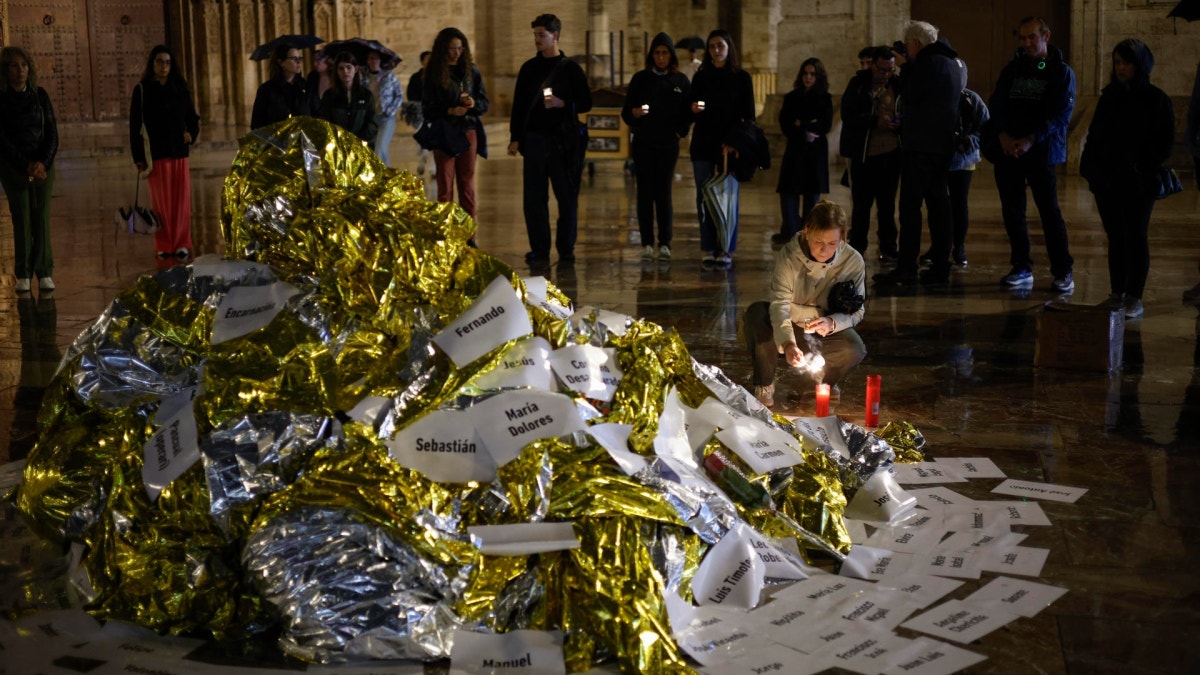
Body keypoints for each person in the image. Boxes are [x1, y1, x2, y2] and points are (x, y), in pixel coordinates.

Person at [1079, 39, 1174, 320]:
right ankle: (1117, 293)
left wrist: (1142, 167)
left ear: (1140, 64)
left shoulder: (1156, 99)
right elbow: (1095, 135)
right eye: (1118, 62)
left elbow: (1164, 142)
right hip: (1107, 180)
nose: (1121, 68)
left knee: (1135, 236)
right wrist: (1090, 169)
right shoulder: (1109, 96)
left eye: (1127, 62)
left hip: (1137, 182)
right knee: (1116, 238)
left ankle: (1134, 296)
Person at [742, 200, 866, 408]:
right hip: (789, 323)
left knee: (854, 348)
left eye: (833, 243)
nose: (825, 250)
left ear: (842, 237)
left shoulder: (852, 261)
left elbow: (857, 311)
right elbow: (779, 304)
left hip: (822, 329)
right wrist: (788, 344)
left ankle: (824, 382)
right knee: (756, 314)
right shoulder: (789, 256)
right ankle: (765, 383)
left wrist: (832, 322)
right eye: (819, 242)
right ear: (807, 232)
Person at [983, 16, 1076, 293]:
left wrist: (1030, 140)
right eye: (1023, 38)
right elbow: (996, 104)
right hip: (1009, 151)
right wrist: (1003, 136)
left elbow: (1060, 114)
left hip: (1041, 152)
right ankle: (1021, 266)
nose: (1027, 43)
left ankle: (1063, 271)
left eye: (1032, 37)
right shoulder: (1013, 69)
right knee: (1013, 211)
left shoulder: (1060, 71)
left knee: (1049, 212)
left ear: (1046, 36)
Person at [873, 21, 965, 287]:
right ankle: (940, 266)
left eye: (907, 44)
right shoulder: (951, 62)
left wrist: (906, 67)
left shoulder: (926, 63)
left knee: (910, 208)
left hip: (921, 147)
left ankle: (906, 267)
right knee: (939, 206)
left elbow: (912, 95)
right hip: (942, 145)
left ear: (915, 43)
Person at [507, 13, 593, 265]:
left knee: (566, 196)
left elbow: (586, 102)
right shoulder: (528, 68)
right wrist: (515, 137)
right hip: (534, 140)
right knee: (534, 198)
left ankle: (566, 248)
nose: (537, 39)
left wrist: (562, 103)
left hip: (562, 142)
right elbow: (519, 106)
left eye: (541, 35)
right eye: (535, 34)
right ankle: (539, 248)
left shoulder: (571, 69)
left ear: (555, 35)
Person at [620, 32, 691, 261]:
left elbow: (688, 112)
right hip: (644, 143)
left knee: (663, 192)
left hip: (668, 144)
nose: (661, 57)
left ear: (671, 56)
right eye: (657, 53)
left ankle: (665, 242)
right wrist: (634, 113)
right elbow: (626, 112)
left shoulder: (680, 81)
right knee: (644, 193)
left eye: (665, 53)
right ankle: (647, 243)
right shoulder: (641, 79)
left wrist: (680, 132)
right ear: (652, 55)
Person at [688, 29, 755, 268]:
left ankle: (725, 248)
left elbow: (748, 116)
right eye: (712, 46)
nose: (716, 50)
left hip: (729, 146)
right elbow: (690, 109)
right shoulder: (701, 77)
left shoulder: (741, 78)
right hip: (703, 144)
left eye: (720, 46)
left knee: (728, 198)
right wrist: (693, 109)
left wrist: (736, 143)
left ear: (729, 48)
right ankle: (708, 247)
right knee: (704, 198)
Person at [130, 45, 200, 260]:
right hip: (156, 154)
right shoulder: (142, 90)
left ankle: (181, 242)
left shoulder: (180, 88)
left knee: (181, 202)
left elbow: (192, 118)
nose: (164, 66)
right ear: (153, 63)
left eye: (168, 62)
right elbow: (134, 126)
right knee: (161, 204)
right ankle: (164, 243)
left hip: (179, 152)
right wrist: (138, 157)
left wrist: (191, 134)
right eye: (160, 61)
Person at [0, 46, 58, 293]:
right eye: (14, 65)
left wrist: (43, 163)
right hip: (14, 168)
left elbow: (52, 133)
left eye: (24, 65)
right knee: (22, 217)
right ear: (5, 70)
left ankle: (44, 271)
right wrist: (25, 165)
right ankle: (23, 273)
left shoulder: (40, 96)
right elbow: (3, 140)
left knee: (41, 217)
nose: (20, 70)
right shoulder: (1, 99)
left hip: (42, 166)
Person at [423, 27, 489, 236]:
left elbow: (484, 103)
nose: (456, 54)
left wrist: (473, 104)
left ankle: (469, 234)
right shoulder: (434, 73)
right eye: (452, 49)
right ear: (443, 49)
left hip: (468, 129)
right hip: (445, 132)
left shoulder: (471, 71)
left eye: (460, 49)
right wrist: (450, 110)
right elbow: (427, 109)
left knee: (467, 185)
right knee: (445, 185)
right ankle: (446, 233)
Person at [841, 45, 902, 262]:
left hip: (891, 153)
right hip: (864, 153)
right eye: (882, 70)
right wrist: (875, 121)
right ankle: (857, 246)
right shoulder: (858, 84)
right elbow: (848, 115)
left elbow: (909, 110)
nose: (886, 75)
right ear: (873, 65)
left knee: (887, 205)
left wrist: (899, 123)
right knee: (861, 205)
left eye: (890, 70)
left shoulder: (898, 85)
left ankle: (888, 246)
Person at [773, 57, 832, 248]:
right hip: (795, 151)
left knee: (811, 197)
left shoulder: (824, 98)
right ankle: (790, 232)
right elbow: (786, 124)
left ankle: (808, 235)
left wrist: (801, 123)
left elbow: (824, 125)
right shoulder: (792, 97)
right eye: (805, 74)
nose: (808, 77)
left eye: (812, 74)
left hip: (814, 153)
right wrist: (805, 129)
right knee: (788, 193)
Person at [942, 86, 989, 267]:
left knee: (959, 203)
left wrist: (970, 141)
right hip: (939, 157)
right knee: (940, 204)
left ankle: (959, 246)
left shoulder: (971, 99)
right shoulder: (937, 94)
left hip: (964, 159)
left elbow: (986, 126)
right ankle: (941, 246)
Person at [318, 51, 378, 145]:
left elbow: (372, 122)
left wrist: (358, 140)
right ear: (336, 71)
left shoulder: (366, 95)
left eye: (348, 67)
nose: (345, 71)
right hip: (337, 145)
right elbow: (324, 120)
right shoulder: (329, 96)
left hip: (360, 146)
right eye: (341, 68)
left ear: (356, 69)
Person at [250, 43, 309, 130]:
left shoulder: (306, 86)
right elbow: (257, 123)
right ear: (281, 62)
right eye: (294, 58)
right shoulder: (267, 89)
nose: (299, 62)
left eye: (300, 58)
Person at [364, 50, 402, 166]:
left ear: (380, 60)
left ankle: (383, 174)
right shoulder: (364, 78)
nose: (374, 61)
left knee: (380, 147)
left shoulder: (389, 75)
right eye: (371, 58)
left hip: (386, 118)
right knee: (378, 149)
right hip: (372, 118)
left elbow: (399, 95)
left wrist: (390, 111)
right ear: (367, 61)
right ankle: (386, 173)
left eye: (376, 58)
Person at [406, 51, 434, 176]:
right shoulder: (415, 78)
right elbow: (410, 94)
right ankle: (423, 157)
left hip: (434, 112)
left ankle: (433, 167)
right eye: (427, 59)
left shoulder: (439, 77)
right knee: (422, 137)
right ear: (422, 62)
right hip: (419, 113)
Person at [305, 51, 331, 117]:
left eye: (317, 60)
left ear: (326, 59)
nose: (315, 64)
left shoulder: (335, 76)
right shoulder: (312, 77)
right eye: (313, 61)